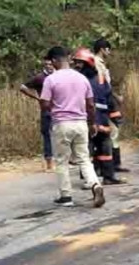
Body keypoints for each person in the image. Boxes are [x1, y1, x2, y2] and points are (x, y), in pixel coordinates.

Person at [40, 46, 105, 208]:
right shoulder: (82, 78)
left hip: (61, 124)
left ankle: (66, 196)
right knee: (84, 158)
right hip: (81, 123)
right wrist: (92, 123)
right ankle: (95, 185)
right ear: (67, 59)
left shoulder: (51, 80)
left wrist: (54, 107)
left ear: (54, 60)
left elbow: (44, 103)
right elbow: (90, 105)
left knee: (62, 161)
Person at [72, 48, 124, 186]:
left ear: (88, 63)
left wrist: (115, 116)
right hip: (84, 121)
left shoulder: (100, 78)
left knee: (105, 149)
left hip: (101, 120)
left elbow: (109, 99)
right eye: (76, 63)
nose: (77, 65)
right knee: (87, 151)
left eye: (79, 62)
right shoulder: (75, 80)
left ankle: (108, 176)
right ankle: (90, 180)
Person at [92, 38, 129, 172]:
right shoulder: (96, 63)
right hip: (101, 103)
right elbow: (102, 85)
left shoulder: (101, 63)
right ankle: (107, 166)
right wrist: (116, 97)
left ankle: (113, 164)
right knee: (108, 133)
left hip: (106, 101)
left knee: (113, 132)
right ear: (102, 49)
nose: (109, 52)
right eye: (108, 49)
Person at [19, 55, 56, 171]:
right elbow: (22, 87)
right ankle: (49, 162)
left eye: (51, 64)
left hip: (59, 110)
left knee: (62, 134)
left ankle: (65, 159)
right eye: (47, 64)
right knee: (47, 135)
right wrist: (37, 98)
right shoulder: (40, 78)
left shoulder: (59, 76)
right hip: (46, 111)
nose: (49, 66)